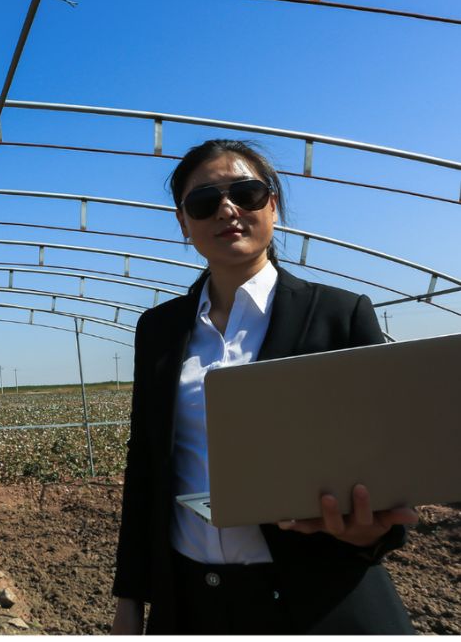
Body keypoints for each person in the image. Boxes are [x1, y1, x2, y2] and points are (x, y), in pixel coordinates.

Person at [110, 139, 418, 635]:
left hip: (316, 599)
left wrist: (371, 532)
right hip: (192, 603)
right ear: (184, 223)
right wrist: (130, 598)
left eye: (246, 193)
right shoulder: (160, 330)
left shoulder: (338, 315)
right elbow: (146, 463)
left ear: (272, 205)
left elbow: (382, 456)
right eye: (204, 202)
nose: (227, 209)